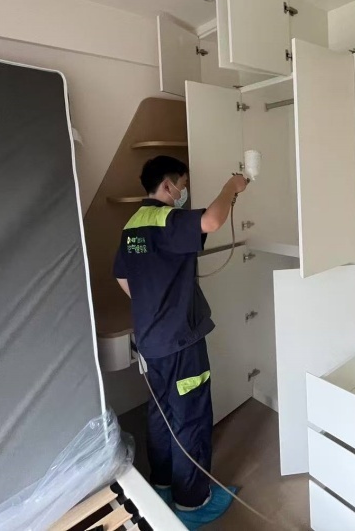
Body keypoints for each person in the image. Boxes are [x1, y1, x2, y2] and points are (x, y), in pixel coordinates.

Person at [113, 155, 247, 529]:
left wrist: (152, 304)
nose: (184, 192)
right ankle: (192, 501)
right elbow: (213, 221)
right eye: (183, 185)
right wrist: (232, 187)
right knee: (190, 417)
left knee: (161, 414)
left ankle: (162, 485)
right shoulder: (166, 219)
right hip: (180, 343)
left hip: (151, 340)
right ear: (169, 185)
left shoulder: (132, 225)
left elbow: (122, 277)